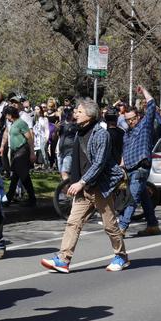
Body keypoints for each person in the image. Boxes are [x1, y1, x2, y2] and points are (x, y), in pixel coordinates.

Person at [40, 98, 127, 274]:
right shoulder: (80, 132)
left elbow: (99, 163)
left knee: (109, 225)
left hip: (100, 187)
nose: (75, 114)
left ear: (89, 114)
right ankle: (63, 260)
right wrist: (76, 181)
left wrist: (81, 182)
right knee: (73, 222)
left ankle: (121, 256)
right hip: (85, 188)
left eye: (79, 111)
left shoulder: (101, 134)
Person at [119, 86, 160, 236]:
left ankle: (122, 227)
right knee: (143, 196)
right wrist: (122, 165)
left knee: (132, 199)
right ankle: (152, 225)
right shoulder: (127, 134)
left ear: (138, 117)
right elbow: (124, 150)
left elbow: (152, 104)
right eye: (127, 120)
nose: (130, 122)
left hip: (140, 168)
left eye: (132, 118)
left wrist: (143, 90)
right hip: (129, 168)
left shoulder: (145, 125)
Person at [0, 105, 36, 206]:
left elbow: (29, 138)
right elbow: (6, 134)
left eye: (6, 115)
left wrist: (32, 153)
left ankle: (32, 199)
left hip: (22, 151)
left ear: (10, 115)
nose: (6, 117)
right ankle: (9, 198)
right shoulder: (13, 123)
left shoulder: (21, 123)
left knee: (24, 177)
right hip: (15, 152)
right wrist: (2, 146)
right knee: (15, 176)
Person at [57, 107, 77, 180]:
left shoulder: (75, 125)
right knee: (61, 172)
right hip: (61, 151)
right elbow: (55, 137)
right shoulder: (61, 125)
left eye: (69, 113)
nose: (67, 115)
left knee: (65, 172)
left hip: (70, 151)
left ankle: (67, 190)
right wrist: (56, 129)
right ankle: (64, 188)